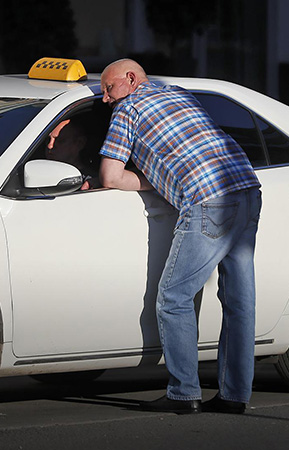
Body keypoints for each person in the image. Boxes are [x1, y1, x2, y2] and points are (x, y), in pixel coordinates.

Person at [98, 58, 262, 414]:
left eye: (108, 88)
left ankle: (184, 392)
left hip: (210, 199)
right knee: (238, 302)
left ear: (130, 79)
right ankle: (235, 396)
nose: (106, 98)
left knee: (173, 297)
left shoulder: (128, 110)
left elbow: (110, 176)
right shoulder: (179, 94)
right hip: (248, 189)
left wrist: (148, 180)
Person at [46, 118, 100, 190]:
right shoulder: (40, 174)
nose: (50, 146)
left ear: (80, 143)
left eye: (60, 141)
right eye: (48, 140)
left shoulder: (90, 183)